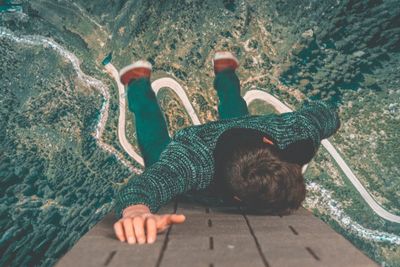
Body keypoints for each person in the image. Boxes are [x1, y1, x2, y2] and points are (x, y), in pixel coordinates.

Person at [113, 51, 341, 245]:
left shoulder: (295, 134)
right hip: (200, 145)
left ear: (270, 143)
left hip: (247, 131)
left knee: (239, 118)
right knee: (156, 146)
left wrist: (328, 116)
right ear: (236, 199)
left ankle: (224, 73)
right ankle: (138, 83)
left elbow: (326, 113)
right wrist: (136, 212)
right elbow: (147, 185)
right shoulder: (193, 162)